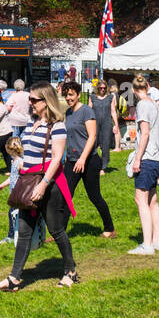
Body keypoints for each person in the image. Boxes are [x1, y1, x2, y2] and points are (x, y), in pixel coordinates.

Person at [0, 83, 75, 290]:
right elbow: (25, 157)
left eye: (34, 100)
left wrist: (44, 185)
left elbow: (56, 160)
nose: (30, 103)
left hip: (48, 184)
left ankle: (70, 270)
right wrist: (12, 180)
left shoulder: (58, 126)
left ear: (46, 102)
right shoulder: (31, 124)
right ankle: (14, 278)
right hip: (29, 182)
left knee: (56, 230)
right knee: (24, 231)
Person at [62, 81, 114, 237]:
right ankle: (60, 233)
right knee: (65, 196)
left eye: (71, 94)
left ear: (78, 95)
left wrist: (83, 159)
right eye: (66, 95)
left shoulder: (86, 111)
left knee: (94, 196)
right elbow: (69, 136)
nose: (68, 98)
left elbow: (92, 137)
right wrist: (65, 157)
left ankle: (110, 228)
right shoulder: (68, 113)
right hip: (72, 161)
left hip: (89, 161)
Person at [128, 75, 159, 255]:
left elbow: (145, 134)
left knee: (140, 199)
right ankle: (156, 241)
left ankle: (147, 244)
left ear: (134, 90)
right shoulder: (156, 106)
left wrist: (137, 159)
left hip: (147, 157)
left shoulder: (142, 105)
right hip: (156, 157)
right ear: (148, 86)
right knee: (153, 200)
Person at [90, 80, 120, 166]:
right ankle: (92, 163)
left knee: (106, 145)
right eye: (100, 88)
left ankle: (103, 166)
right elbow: (88, 110)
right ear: (97, 88)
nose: (102, 90)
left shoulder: (111, 97)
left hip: (107, 123)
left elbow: (113, 111)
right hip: (94, 124)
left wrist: (116, 125)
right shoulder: (92, 97)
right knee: (93, 144)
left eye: (104, 88)